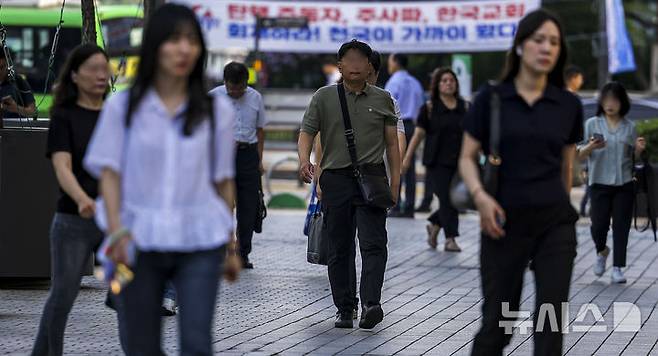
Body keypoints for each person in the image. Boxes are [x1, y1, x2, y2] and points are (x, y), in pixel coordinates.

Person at [83, 4, 241, 354]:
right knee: (141, 344)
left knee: (197, 343)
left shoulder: (217, 112)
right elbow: (109, 176)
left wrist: (231, 244)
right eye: (173, 40)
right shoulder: (122, 109)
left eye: (191, 41)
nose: (183, 49)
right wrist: (116, 232)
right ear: (155, 46)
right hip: (137, 239)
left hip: (199, 241)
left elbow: (223, 181)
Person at [459, 10, 582, 355]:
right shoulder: (492, 98)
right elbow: (467, 157)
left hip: (555, 226)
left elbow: (566, 168)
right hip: (502, 224)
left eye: (554, 42)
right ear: (520, 46)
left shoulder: (568, 105)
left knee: (550, 327)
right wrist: (480, 197)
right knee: (497, 327)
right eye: (538, 40)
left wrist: (564, 202)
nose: (547, 48)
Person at [299, 40, 400, 330]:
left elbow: (393, 145)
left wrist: (396, 184)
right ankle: (345, 308)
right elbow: (307, 132)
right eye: (349, 59)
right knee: (340, 247)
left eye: (361, 59)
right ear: (340, 65)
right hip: (335, 180)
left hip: (372, 179)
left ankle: (371, 303)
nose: (355, 64)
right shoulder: (323, 97)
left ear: (370, 66)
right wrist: (305, 161)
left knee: (373, 244)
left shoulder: (383, 99)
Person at [32, 44, 110, 356]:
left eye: (104, 67)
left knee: (133, 293)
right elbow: (62, 166)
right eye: (92, 68)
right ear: (75, 75)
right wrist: (81, 199)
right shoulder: (64, 116)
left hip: (113, 218)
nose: (101, 75)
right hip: (73, 220)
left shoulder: (114, 115)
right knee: (62, 297)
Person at [578, 82, 645, 284]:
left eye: (614, 100)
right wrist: (591, 146)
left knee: (621, 227)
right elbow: (579, 154)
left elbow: (632, 157)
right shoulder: (592, 124)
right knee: (598, 226)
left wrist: (638, 151)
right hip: (598, 182)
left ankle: (617, 268)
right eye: (606, 99)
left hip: (624, 183)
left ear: (622, 102)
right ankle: (602, 250)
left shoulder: (630, 127)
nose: (610, 104)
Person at [210, 61, 267, 269]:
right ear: (225, 83)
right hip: (221, 156)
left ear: (246, 82)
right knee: (222, 205)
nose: (235, 92)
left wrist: (259, 159)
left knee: (248, 206)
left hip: (247, 155)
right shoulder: (213, 97)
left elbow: (260, 130)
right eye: (231, 88)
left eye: (239, 87)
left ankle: (243, 253)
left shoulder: (255, 97)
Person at [403, 67, 465, 252]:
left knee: (454, 200)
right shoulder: (429, 108)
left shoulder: (465, 107)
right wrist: (407, 158)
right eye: (444, 81)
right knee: (447, 199)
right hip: (437, 162)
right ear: (437, 85)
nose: (448, 84)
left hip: (460, 162)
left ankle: (435, 225)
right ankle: (450, 239)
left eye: (451, 80)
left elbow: (472, 135)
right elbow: (418, 135)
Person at [385, 53, 424, 218]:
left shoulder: (393, 82)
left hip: (397, 125)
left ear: (395, 62)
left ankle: (395, 204)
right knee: (409, 166)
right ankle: (409, 207)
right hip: (413, 126)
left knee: (395, 163)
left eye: (390, 61)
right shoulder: (416, 83)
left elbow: (386, 105)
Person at [0, 48, 36, 125]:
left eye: (1, 67)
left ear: (7, 64)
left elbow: (33, 112)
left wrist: (16, 108)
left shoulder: (18, 81)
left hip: (16, 131)